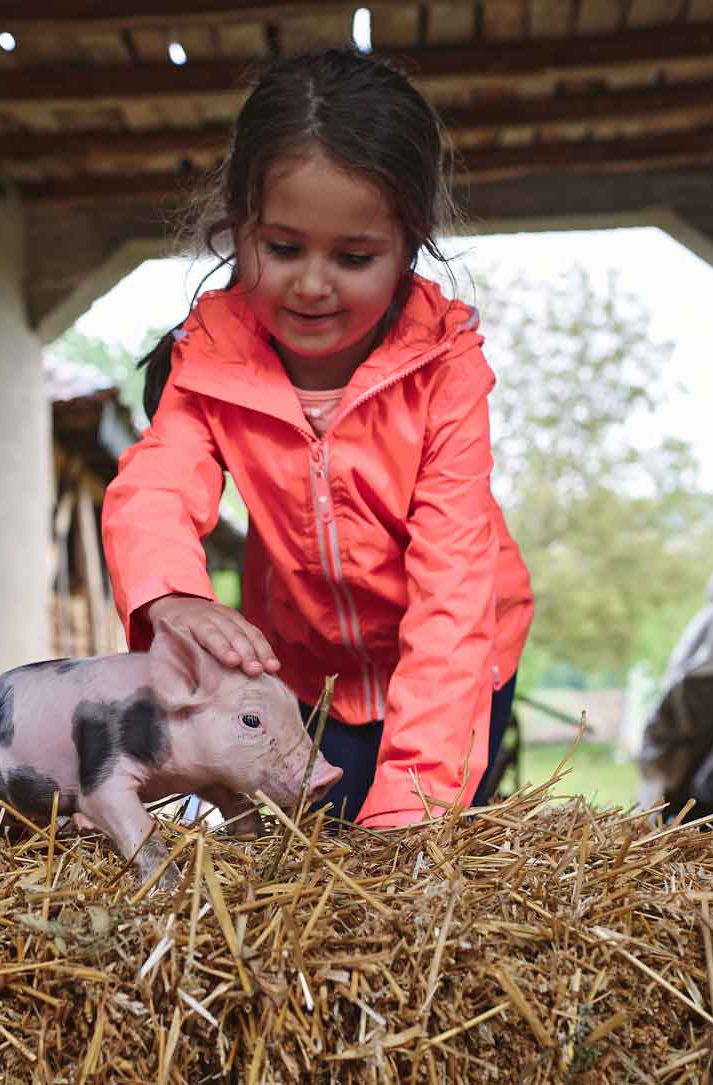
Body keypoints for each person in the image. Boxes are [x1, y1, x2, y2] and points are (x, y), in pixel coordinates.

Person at [101, 49, 533, 828]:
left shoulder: (447, 372)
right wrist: (170, 591)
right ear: (239, 229)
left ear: (409, 244)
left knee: (416, 841)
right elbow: (158, 482)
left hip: (453, 657)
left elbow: (452, 595)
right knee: (308, 848)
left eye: (355, 257)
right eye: (284, 247)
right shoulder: (212, 356)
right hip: (305, 671)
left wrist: (415, 805)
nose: (311, 284)